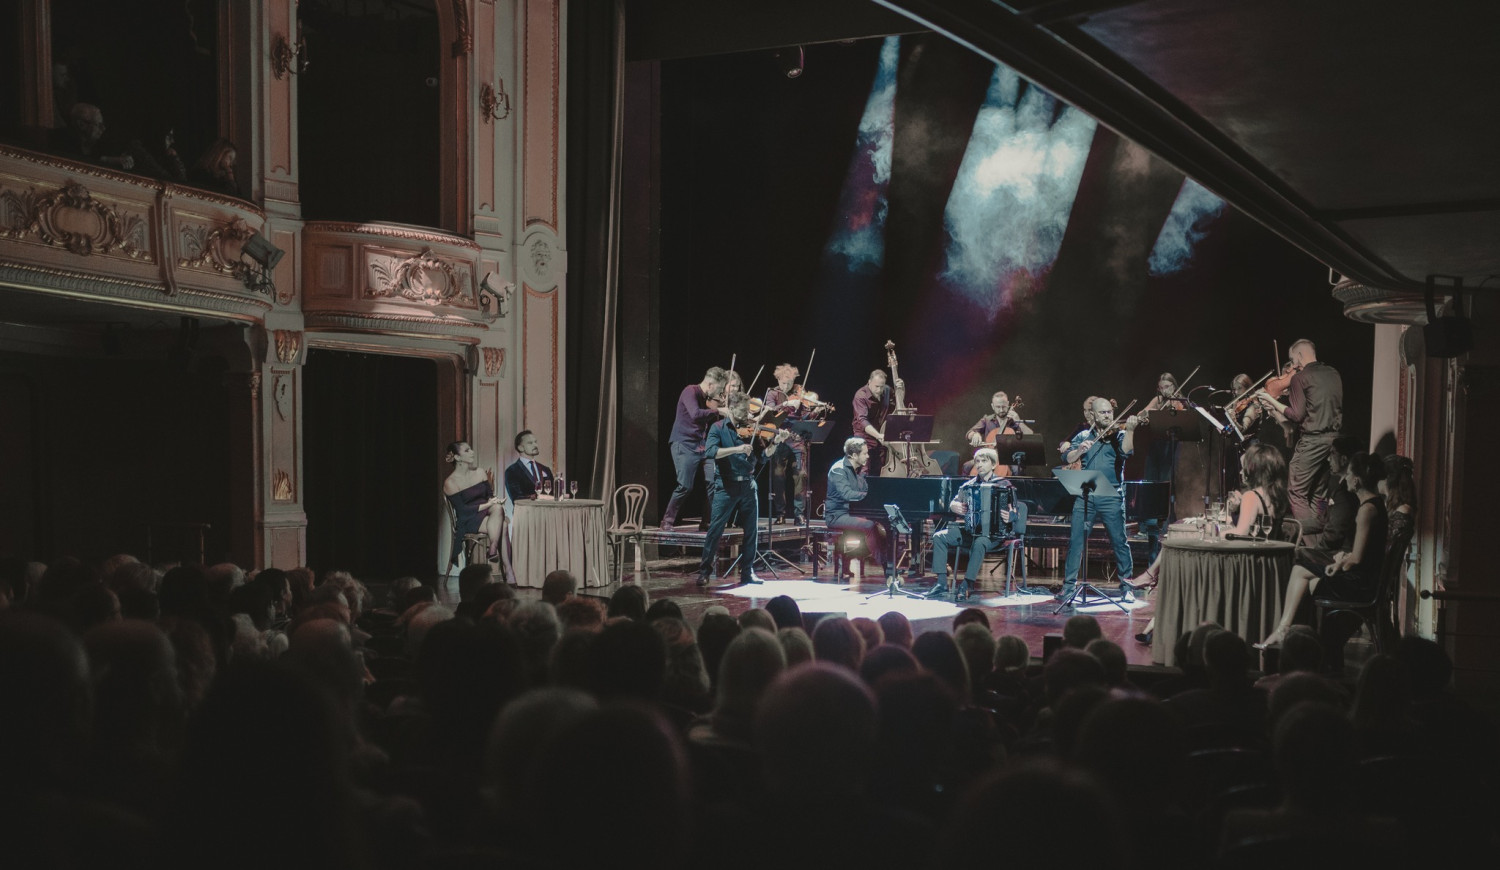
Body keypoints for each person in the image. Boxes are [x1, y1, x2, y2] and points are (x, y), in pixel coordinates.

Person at [1257, 452, 1387, 649]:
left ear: (1358, 481)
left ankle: (1285, 631)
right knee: (1306, 580)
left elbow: (1358, 558)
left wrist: (1339, 563)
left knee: (1300, 570)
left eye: (1350, 474)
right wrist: (1345, 557)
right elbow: (1364, 551)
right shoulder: (1374, 505)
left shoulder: (1366, 510)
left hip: (1361, 583)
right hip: (1366, 578)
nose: (1347, 479)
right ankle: (1305, 640)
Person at [696, 395, 788, 586]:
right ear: (731, 408)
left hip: (748, 485)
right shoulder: (718, 428)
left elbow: (763, 457)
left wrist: (776, 442)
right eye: (742, 411)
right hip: (725, 486)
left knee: (751, 531)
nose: (746, 415)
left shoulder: (752, 430)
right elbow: (711, 452)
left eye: (748, 411)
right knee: (715, 530)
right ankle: (704, 571)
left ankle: (748, 572)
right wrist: (737, 449)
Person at [1056, 397, 1141, 605]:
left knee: (1119, 542)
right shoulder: (1084, 436)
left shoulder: (1118, 435)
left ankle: (1126, 587)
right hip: (1086, 497)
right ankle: (1068, 588)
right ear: (1092, 415)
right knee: (1076, 542)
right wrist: (1079, 451)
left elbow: (1127, 451)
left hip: (1111, 497)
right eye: (1102, 413)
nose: (1107, 416)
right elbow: (1066, 458)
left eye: (1110, 412)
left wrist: (1130, 430)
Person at [1256, 339, 1343, 525]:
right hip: (1334, 442)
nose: (1292, 364)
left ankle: (1308, 541)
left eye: (1292, 359)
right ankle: (1320, 533)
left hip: (1312, 441)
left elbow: (1296, 415)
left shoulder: (1300, 378)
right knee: (1320, 495)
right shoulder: (1333, 373)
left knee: (1296, 491)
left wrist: (1271, 401)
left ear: (1300, 356)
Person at [927, 447, 1016, 601]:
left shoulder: (1004, 484)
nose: (979, 464)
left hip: (993, 536)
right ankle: (941, 583)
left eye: (984, 461)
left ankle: (968, 583)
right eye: (977, 461)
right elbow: (955, 501)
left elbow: (1016, 512)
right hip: (971, 531)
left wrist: (1010, 516)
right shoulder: (968, 485)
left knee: (981, 541)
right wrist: (953, 505)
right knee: (939, 537)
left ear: (993, 464)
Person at [661, 366, 733, 530]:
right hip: (684, 444)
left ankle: (708, 522)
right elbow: (695, 414)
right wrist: (718, 410)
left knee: (713, 483)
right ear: (710, 384)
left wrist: (721, 410)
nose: (719, 393)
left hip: (702, 445)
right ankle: (667, 521)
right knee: (685, 485)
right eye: (719, 388)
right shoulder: (690, 391)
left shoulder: (707, 398)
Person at [823, 436, 893, 581]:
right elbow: (847, 494)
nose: (868, 456)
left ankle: (852, 555)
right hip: (837, 515)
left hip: (851, 512)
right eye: (865, 453)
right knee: (869, 526)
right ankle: (887, 568)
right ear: (854, 455)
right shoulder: (838, 470)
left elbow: (866, 490)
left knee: (884, 527)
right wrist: (867, 496)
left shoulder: (856, 471)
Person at [443, 441, 513, 581]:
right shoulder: (450, 483)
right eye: (467, 450)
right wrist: (488, 504)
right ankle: (508, 571)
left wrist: (495, 501)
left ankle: (493, 549)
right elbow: (462, 511)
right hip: (468, 519)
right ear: (457, 457)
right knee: (503, 525)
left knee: (498, 508)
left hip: (488, 513)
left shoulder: (480, 472)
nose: (472, 452)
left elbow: (489, 496)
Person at [764, 363, 808, 523]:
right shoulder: (772, 393)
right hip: (779, 438)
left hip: (797, 438)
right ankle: (780, 514)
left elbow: (805, 414)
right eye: (783, 383)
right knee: (778, 476)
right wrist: (786, 404)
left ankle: (799, 514)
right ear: (778, 380)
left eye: (789, 383)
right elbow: (770, 411)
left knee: (800, 476)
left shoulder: (799, 392)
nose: (786, 387)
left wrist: (811, 410)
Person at [965, 391, 1033, 475]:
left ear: (1008, 404)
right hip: (988, 457)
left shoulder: (1014, 420)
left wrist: (1019, 422)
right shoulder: (987, 420)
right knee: (967, 466)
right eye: (998, 407)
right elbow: (969, 433)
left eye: (1003, 407)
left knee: (1017, 469)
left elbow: (1030, 436)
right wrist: (974, 434)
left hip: (1009, 458)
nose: (1001, 410)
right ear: (992, 406)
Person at [1140, 372, 1188, 483]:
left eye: (1167, 387)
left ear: (1174, 386)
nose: (1164, 391)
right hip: (1155, 444)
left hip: (1172, 446)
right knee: (1150, 478)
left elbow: (1184, 423)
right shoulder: (1158, 400)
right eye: (1161, 388)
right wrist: (1150, 413)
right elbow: (1141, 413)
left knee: (1167, 479)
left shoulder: (1181, 401)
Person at [851, 368, 898, 475]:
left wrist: (902, 388)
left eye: (882, 386)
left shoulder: (887, 390)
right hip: (864, 436)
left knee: (880, 468)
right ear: (869, 382)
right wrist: (878, 435)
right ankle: (862, 491)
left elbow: (898, 400)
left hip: (881, 434)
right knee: (864, 469)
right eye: (876, 386)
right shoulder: (861, 395)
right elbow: (862, 421)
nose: (879, 390)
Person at [504, 429, 554, 501]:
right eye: (530, 443)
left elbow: (554, 495)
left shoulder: (546, 469)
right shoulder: (511, 471)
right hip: (526, 511)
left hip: (548, 511)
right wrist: (538, 497)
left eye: (535, 442)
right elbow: (517, 499)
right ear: (520, 448)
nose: (535, 445)